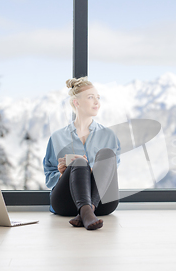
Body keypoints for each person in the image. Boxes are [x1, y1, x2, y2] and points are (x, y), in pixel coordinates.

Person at [43, 77, 121, 230]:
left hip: (102, 202)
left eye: (98, 97)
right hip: (66, 203)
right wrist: (62, 174)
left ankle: (86, 211)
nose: (97, 102)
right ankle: (87, 212)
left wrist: (90, 170)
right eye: (90, 97)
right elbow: (48, 178)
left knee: (106, 154)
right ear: (76, 102)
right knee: (78, 162)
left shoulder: (109, 136)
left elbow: (110, 173)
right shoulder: (57, 137)